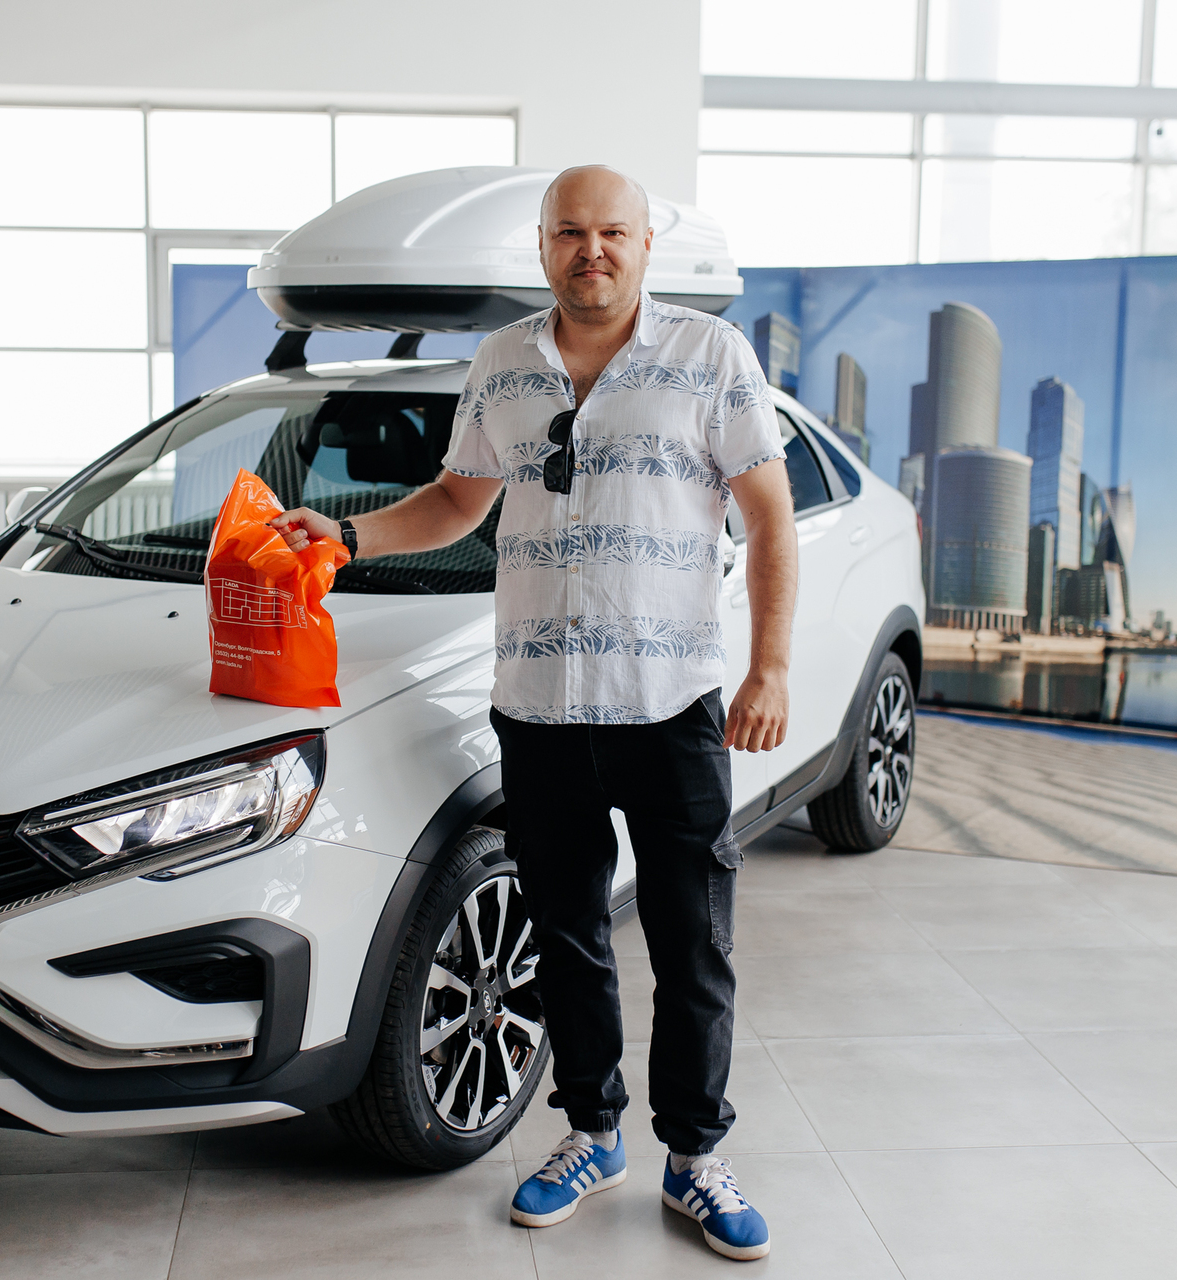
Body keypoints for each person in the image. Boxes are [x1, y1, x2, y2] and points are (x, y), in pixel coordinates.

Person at [268, 164, 795, 1263]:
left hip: (670, 706)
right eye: (569, 232)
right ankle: (592, 1134)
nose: (590, 250)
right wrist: (347, 535)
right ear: (544, 244)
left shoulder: (710, 356)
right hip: (540, 708)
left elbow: (770, 519)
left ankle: (695, 1156)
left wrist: (770, 669)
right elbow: (456, 502)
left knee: (693, 945)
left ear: (644, 244)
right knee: (564, 938)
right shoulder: (503, 362)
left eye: (612, 232)